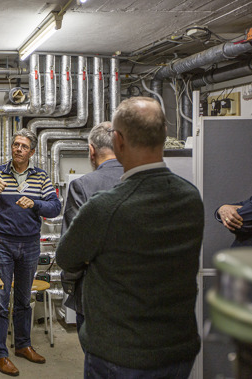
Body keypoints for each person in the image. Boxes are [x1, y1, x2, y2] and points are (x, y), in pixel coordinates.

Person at [56, 97, 204, 379]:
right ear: (163, 137)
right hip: (177, 350)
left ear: (119, 142)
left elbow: (66, 256)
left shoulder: (105, 207)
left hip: (120, 355)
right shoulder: (190, 197)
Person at [0, 129, 61, 377]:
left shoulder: (41, 177)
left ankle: (23, 345)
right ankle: (0, 354)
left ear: (32, 152)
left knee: (23, 299)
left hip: (30, 245)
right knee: (0, 301)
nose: (18, 149)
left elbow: (55, 207)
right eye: (15, 144)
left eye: (23, 146)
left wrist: (35, 203)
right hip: (2, 243)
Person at [60, 121, 123, 332]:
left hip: (95, 294)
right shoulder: (143, 180)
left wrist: (69, 283)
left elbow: (73, 247)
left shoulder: (82, 186)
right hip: (138, 295)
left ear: (91, 150)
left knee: (97, 361)